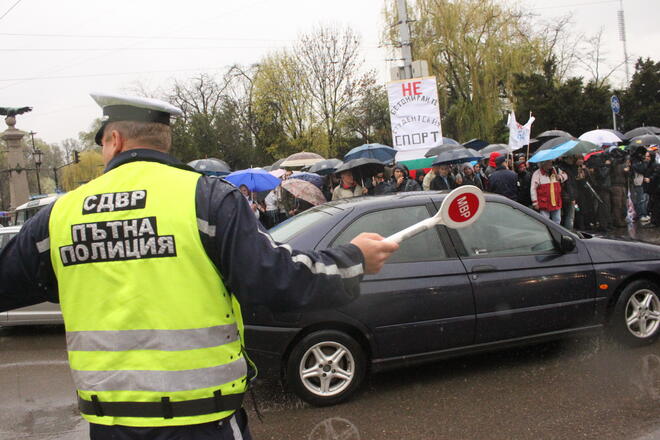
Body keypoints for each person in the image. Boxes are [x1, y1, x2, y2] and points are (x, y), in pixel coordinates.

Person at [0, 93, 399, 440]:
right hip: (202, 421)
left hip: (111, 425)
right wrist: (354, 259)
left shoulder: (60, 215)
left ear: (115, 140)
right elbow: (278, 280)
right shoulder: (206, 199)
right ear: (164, 141)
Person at [530, 160, 567, 224]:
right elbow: (533, 189)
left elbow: (566, 175)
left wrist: (560, 177)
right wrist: (535, 202)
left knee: (557, 220)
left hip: (556, 201)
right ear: (543, 164)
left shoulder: (556, 170)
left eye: (551, 162)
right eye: (548, 162)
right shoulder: (537, 173)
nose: (551, 164)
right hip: (544, 202)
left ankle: (556, 233)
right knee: (545, 221)